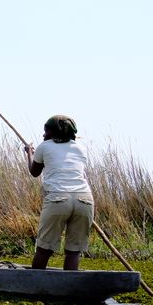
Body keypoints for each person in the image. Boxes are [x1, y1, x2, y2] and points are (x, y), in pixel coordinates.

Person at [24, 115, 93, 271]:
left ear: (53, 133)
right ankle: (69, 287)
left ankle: (35, 285)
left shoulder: (44, 146)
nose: (43, 135)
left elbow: (34, 172)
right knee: (73, 251)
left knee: (44, 248)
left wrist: (29, 153)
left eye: (46, 131)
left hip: (58, 198)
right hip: (84, 199)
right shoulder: (80, 148)